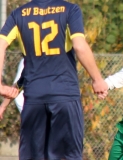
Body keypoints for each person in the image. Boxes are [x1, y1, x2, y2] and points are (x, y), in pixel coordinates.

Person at [0, 0, 108, 159]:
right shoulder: (70, 10)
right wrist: (97, 79)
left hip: (33, 98)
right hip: (64, 95)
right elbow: (79, 46)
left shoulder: (19, 14)